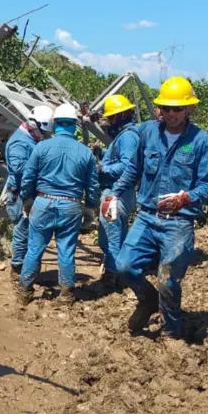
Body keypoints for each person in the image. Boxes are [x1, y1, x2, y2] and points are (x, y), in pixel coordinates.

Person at [103, 76, 208, 339]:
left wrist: (185, 198)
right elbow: (133, 170)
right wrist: (114, 194)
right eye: (167, 108)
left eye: (178, 109)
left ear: (189, 108)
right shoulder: (148, 133)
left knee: (168, 279)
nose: (172, 114)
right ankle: (148, 300)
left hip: (178, 222)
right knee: (124, 266)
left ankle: (171, 330)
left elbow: (207, 185)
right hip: (146, 217)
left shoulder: (201, 141)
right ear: (160, 108)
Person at [16, 103, 99, 305]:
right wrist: (90, 209)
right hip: (71, 206)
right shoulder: (85, 152)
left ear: (54, 124)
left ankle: (25, 291)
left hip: (43, 202)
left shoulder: (41, 147)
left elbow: (28, 178)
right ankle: (66, 294)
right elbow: (92, 185)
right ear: (74, 125)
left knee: (34, 249)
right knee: (67, 251)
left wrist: (27, 200)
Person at [5, 105, 54, 278]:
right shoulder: (20, 143)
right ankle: (17, 267)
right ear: (34, 125)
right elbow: (19, 168)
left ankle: (25, 265)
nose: (45, 136)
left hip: (27, 190)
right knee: (23, 228)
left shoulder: (30, 139)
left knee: (28, 228)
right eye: (44, 133)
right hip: (19, 193)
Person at [97, 94, 140, 288]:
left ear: (119, 116)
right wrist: (102, 153)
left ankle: (112, 275)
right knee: (117, 234)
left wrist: (103, 169)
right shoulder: (124, 136)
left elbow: (128, 165)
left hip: (115, 195)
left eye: (111, 117)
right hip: (120, 194)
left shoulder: (128, 137)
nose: (108, 122)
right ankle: (121, 273)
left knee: (111, 237)